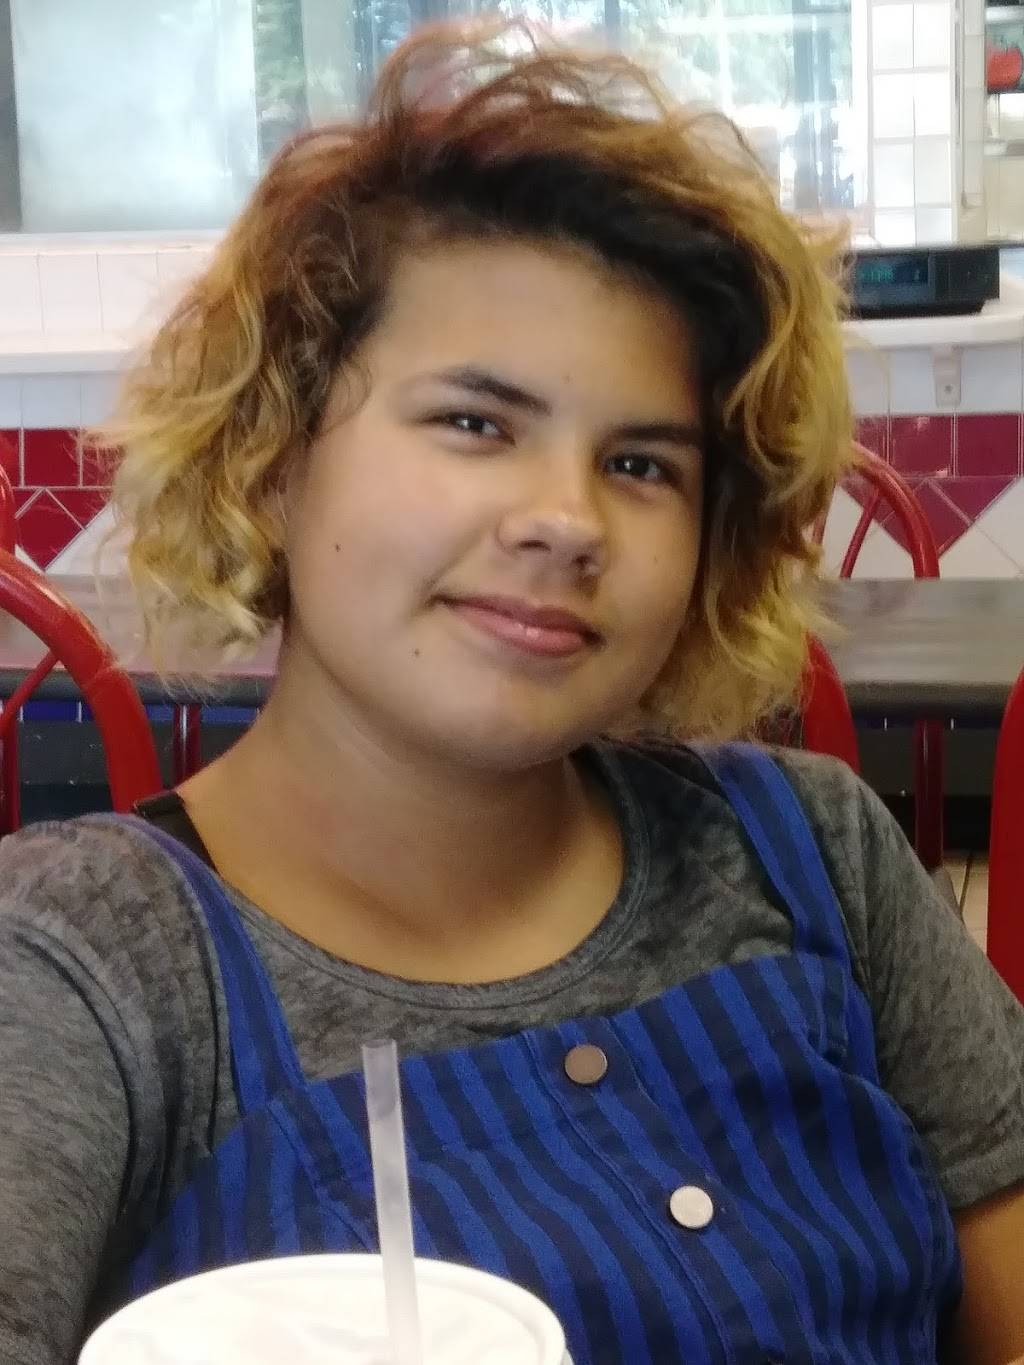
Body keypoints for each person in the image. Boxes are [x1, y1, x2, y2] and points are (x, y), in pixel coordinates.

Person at [1, 22, 1023, 1365]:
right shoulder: (81, 965)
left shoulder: (816, 853)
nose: (568, 520)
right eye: (476, 423)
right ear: (270, 462)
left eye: (642, 464)